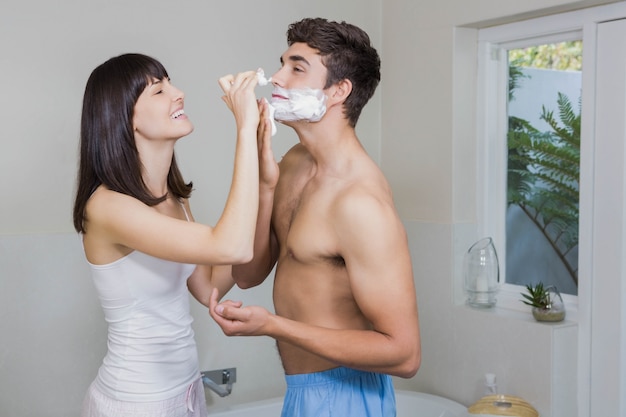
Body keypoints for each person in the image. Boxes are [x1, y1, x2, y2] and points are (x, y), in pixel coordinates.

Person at [209, 18, 421, 417]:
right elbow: (249, 274)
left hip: (347, 397)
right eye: (282, 64)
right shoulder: (292, 163)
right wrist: (265, 185)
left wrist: (272, 326)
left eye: (296, 67)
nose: (276, 78)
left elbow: (405, 354)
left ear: (339, 90)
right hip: (302, 392)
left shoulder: (360, 202)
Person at [73, 53, 271, 417]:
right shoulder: (106, 207)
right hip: (134, 402)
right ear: (125, 119)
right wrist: (244, 128)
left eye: (171, 83)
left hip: (185, 393)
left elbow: (208, 285)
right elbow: (231, 245)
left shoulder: (173, 199)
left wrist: (268, 187)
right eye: (159, 90)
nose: (178, 93)